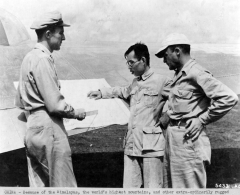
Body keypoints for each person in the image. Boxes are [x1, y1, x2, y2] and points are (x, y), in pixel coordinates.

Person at [155, 33, 239, 188]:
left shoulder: (196, 72)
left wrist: (202, 120)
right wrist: (169, 115)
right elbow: (186, 104)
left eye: (165, 55)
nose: (164, 60)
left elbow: (229, 98)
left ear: (177, 51)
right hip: (174, 140)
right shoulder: (179, 75)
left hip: (188, 142)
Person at [15, 11, 86, 187]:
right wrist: (76, 113)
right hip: (49, 128)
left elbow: (19, 102)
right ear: (48, 34)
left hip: (32, 128)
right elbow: (55, 105)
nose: (64, 37)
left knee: (39, 186)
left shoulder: (28, 58)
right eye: (61, 32)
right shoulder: (43, 59)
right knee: (63, 186)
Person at [87, 43, 171, 188]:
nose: (129, 67)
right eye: (127, 63)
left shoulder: (162, 81)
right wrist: (102, 93)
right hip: (131, 146)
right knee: (130, 189)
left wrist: (166, 118)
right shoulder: (135, 83)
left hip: (151, 148)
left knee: (154, 189)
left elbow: (183, 102)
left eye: (131, 62)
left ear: (143, 60)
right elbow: (121, 91)